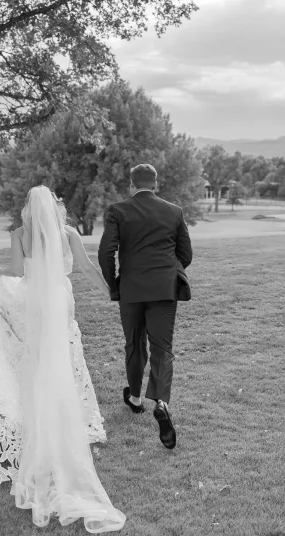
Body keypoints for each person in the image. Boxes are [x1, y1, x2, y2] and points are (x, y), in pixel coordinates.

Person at [0, 185, 125, 533]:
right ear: (55, 206)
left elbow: (16, 270)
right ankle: (59, 418)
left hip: (32, 302)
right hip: (59, 301)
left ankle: (30, 419)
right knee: (59, 359)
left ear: (29, 207)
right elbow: (87, 268)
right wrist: (111, 293)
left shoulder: (20, 233)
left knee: (33, 360)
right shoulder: (69, 233)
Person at [98, 164, 193, 450]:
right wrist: (167, 271)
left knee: (134, 344)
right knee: (162, 348)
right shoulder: (174, 211)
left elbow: (106, 252)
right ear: (155, 182)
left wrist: (115, 283)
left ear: (131, 183)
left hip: (130, 288)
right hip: (164, 290)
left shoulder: (117, 210)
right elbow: (186, 254)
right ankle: (161, 402)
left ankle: (136, 398)